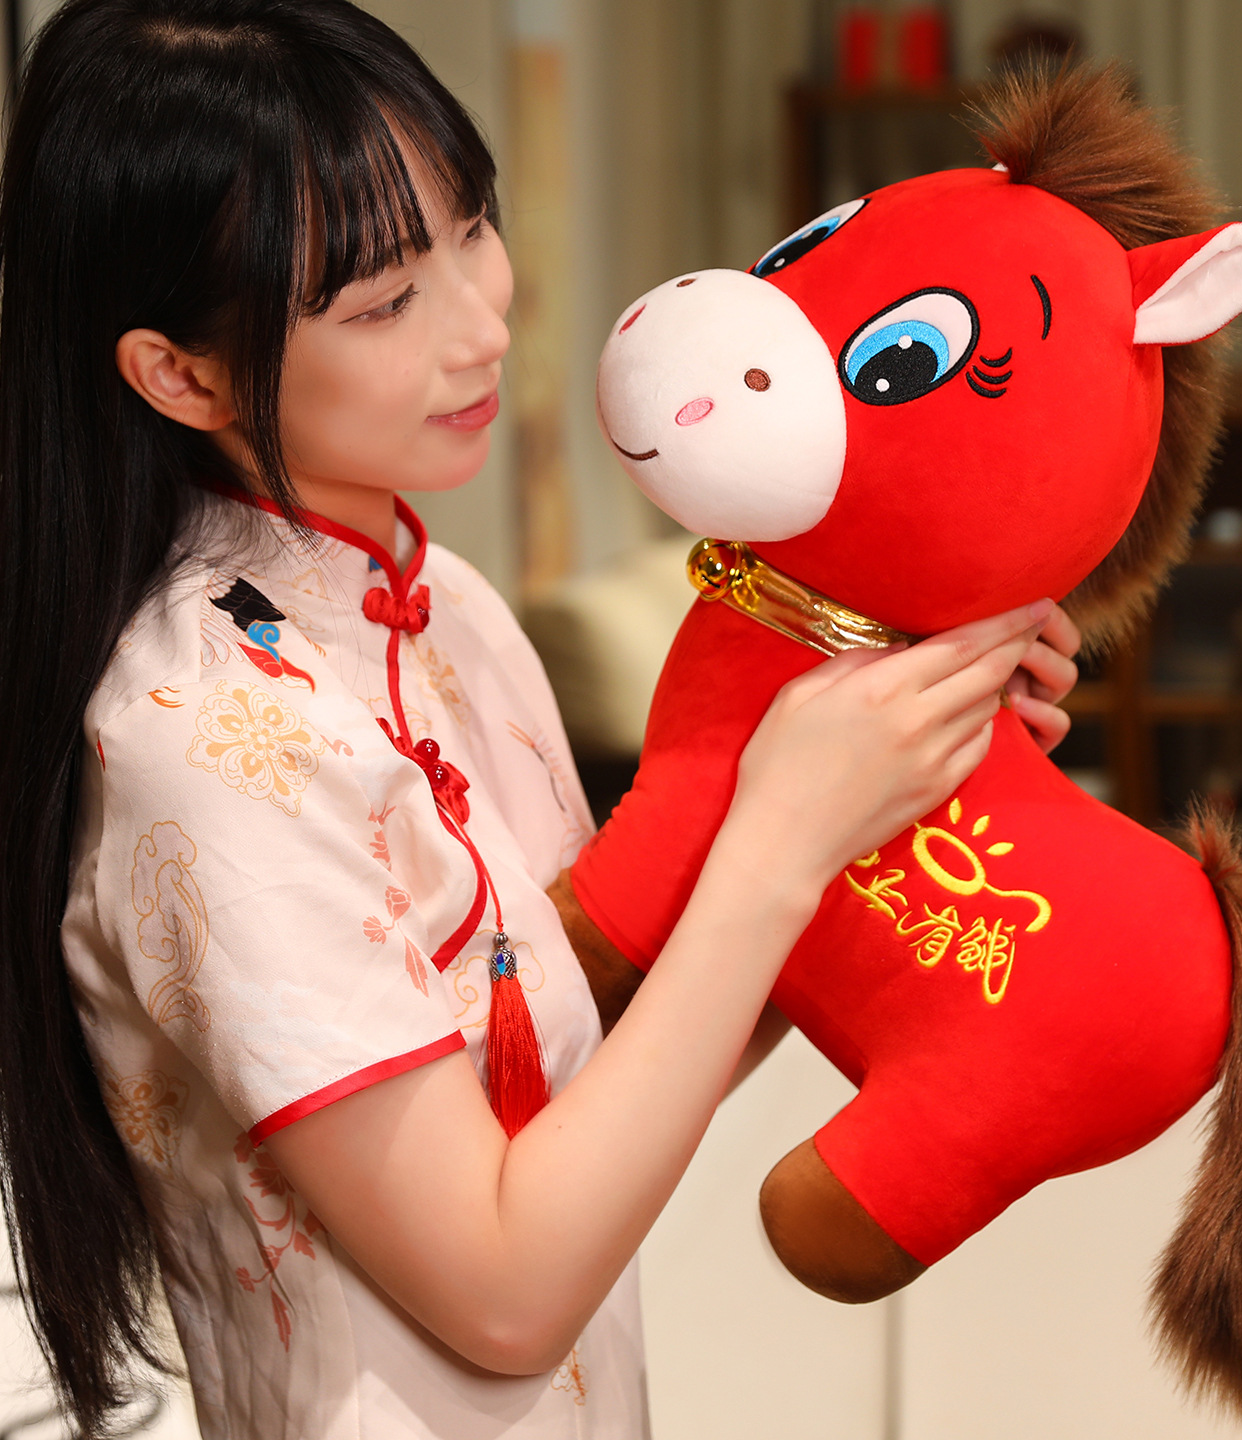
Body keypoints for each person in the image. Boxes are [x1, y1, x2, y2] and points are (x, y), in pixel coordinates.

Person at [0, 2, 1081, 1436]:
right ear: (179, 373)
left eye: (473, 228)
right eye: (384, 301)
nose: (482, 322)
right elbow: (508, 1291)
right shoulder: (202, 738)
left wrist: (894, 780)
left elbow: (586, 1073)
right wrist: (779, 840)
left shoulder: (443, 604)